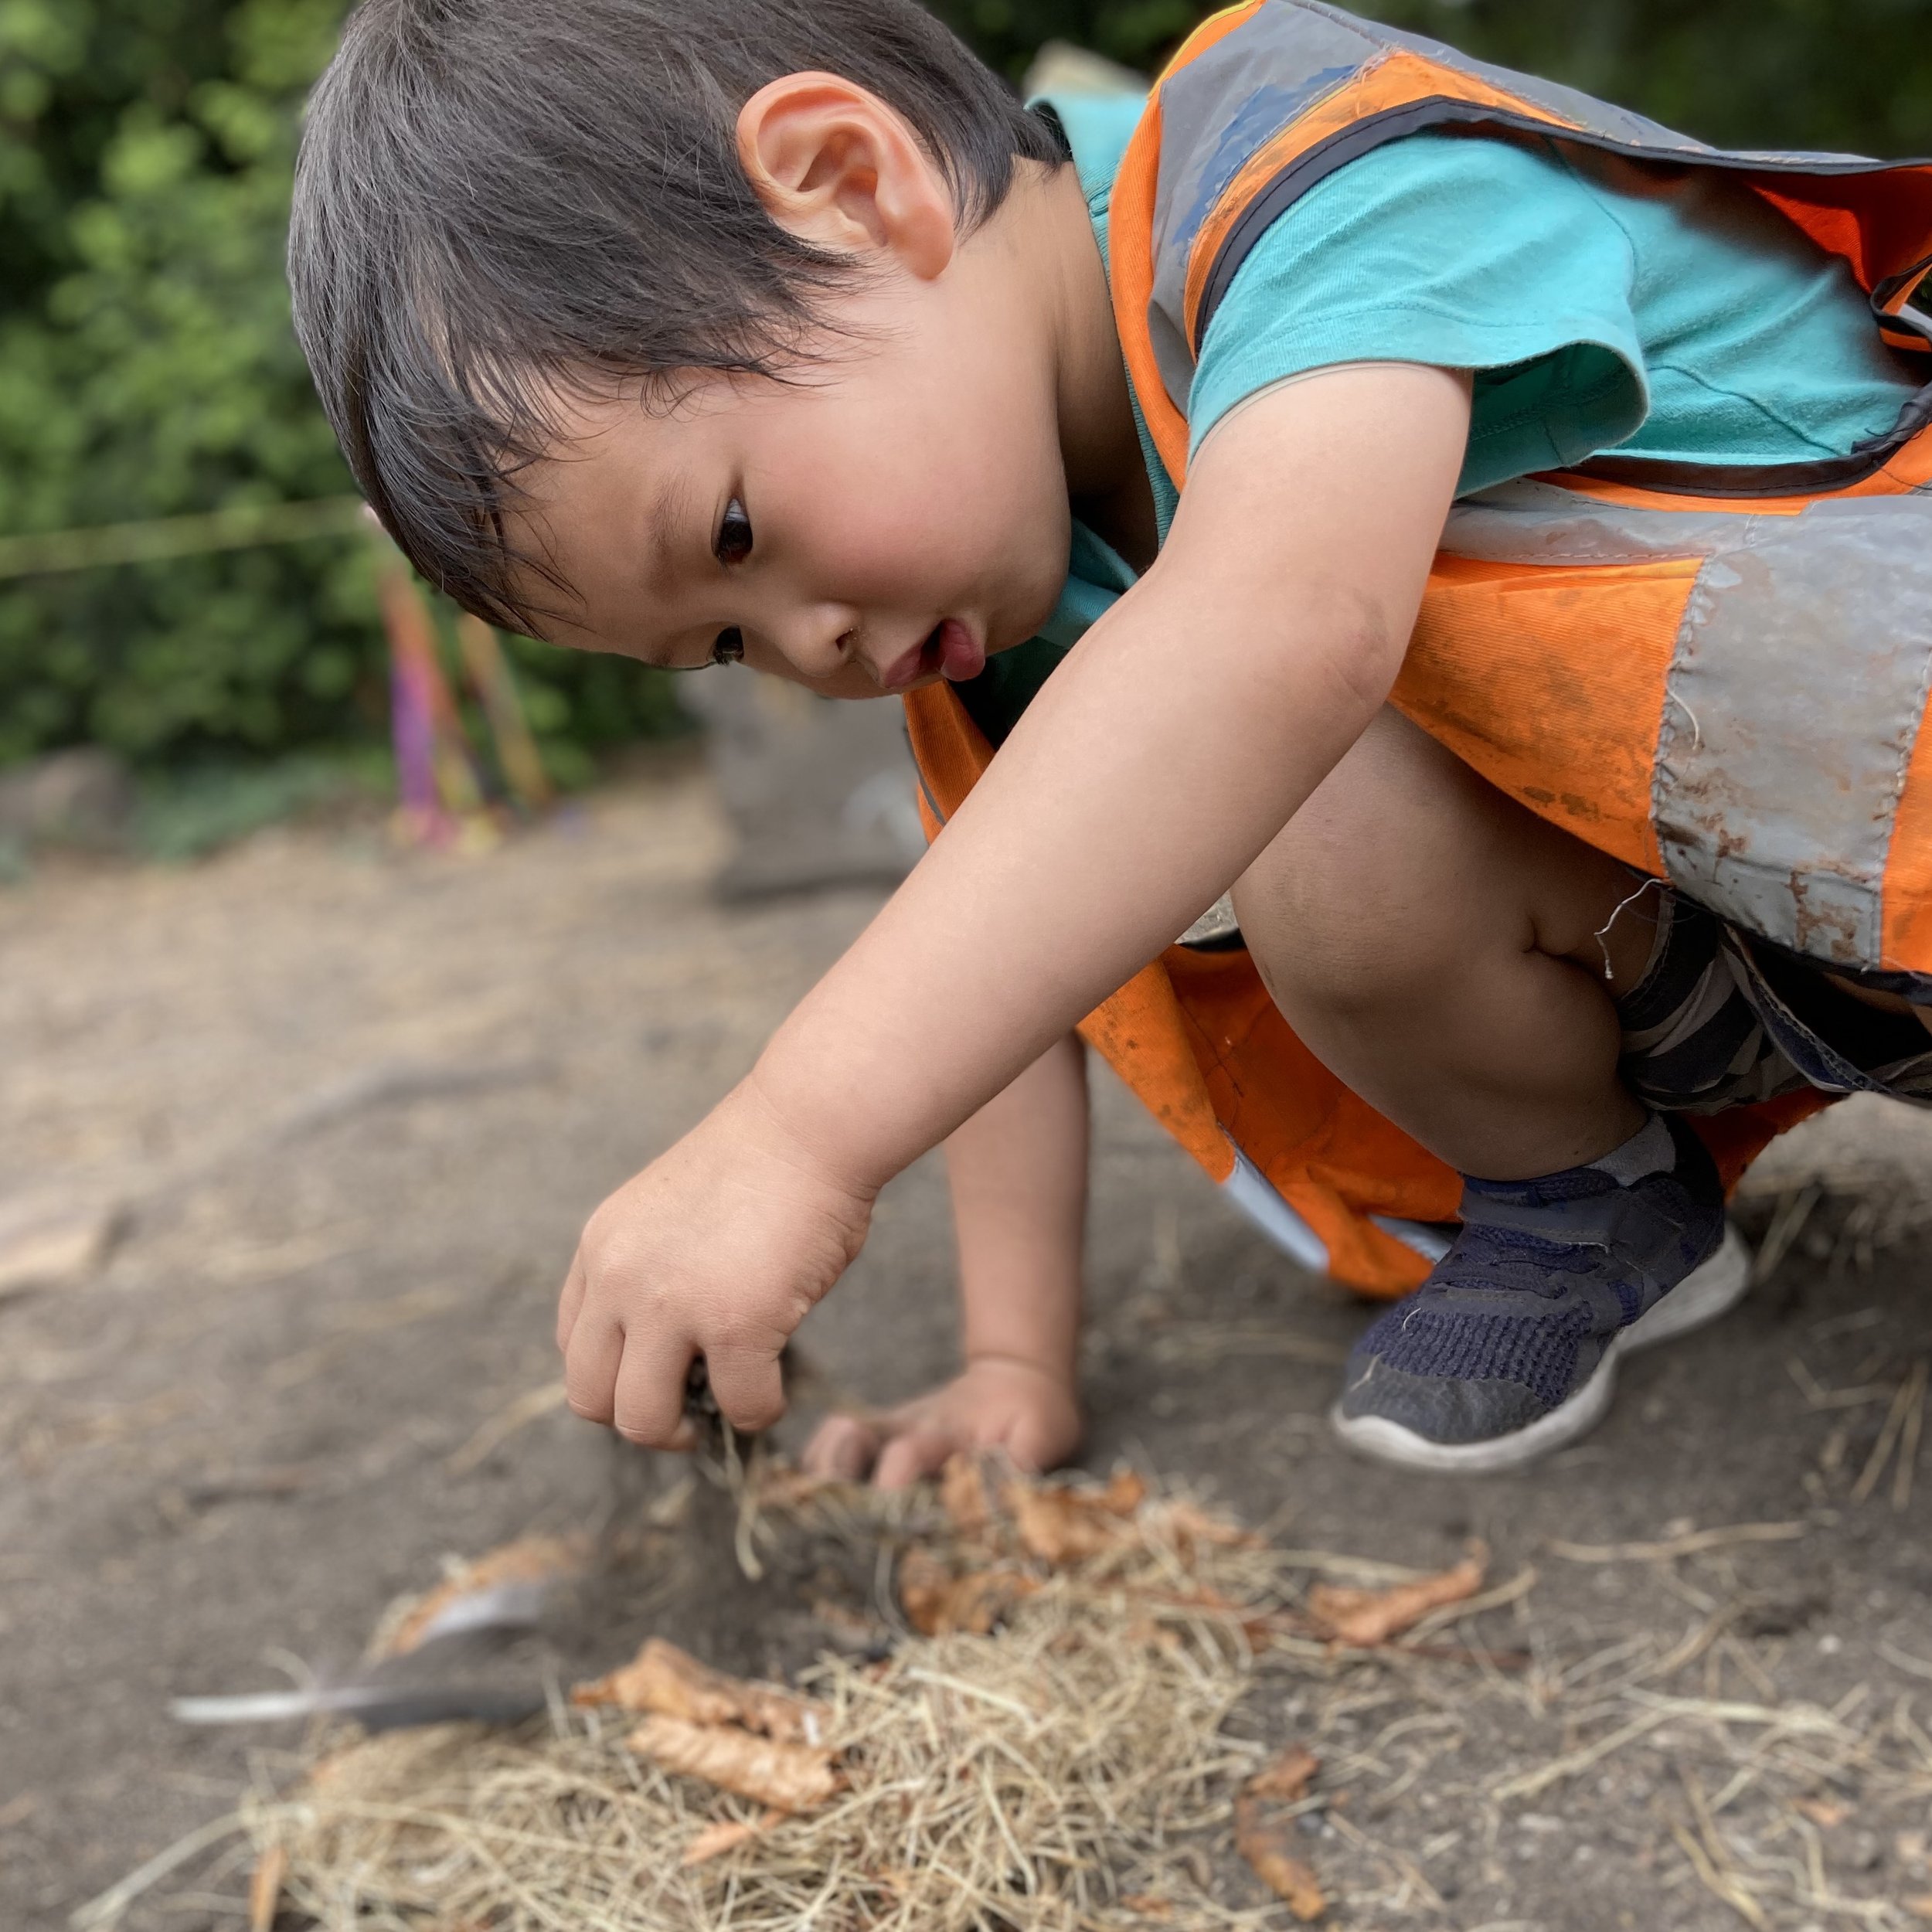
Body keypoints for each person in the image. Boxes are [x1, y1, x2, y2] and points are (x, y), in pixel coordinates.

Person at [288, 0, 1932, 1481]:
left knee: (1266, 718)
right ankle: (1590, 1197)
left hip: (1887, 739)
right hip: (1785, 897)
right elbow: (1015, 966)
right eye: (726, 643)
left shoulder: (1305, 171)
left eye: (730, 531)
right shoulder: (991, 586)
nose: (807, 647)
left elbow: (1279, 627)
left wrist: (789, 1131)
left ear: (852, 187)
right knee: (1308, 819)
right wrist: (1013, 1361)